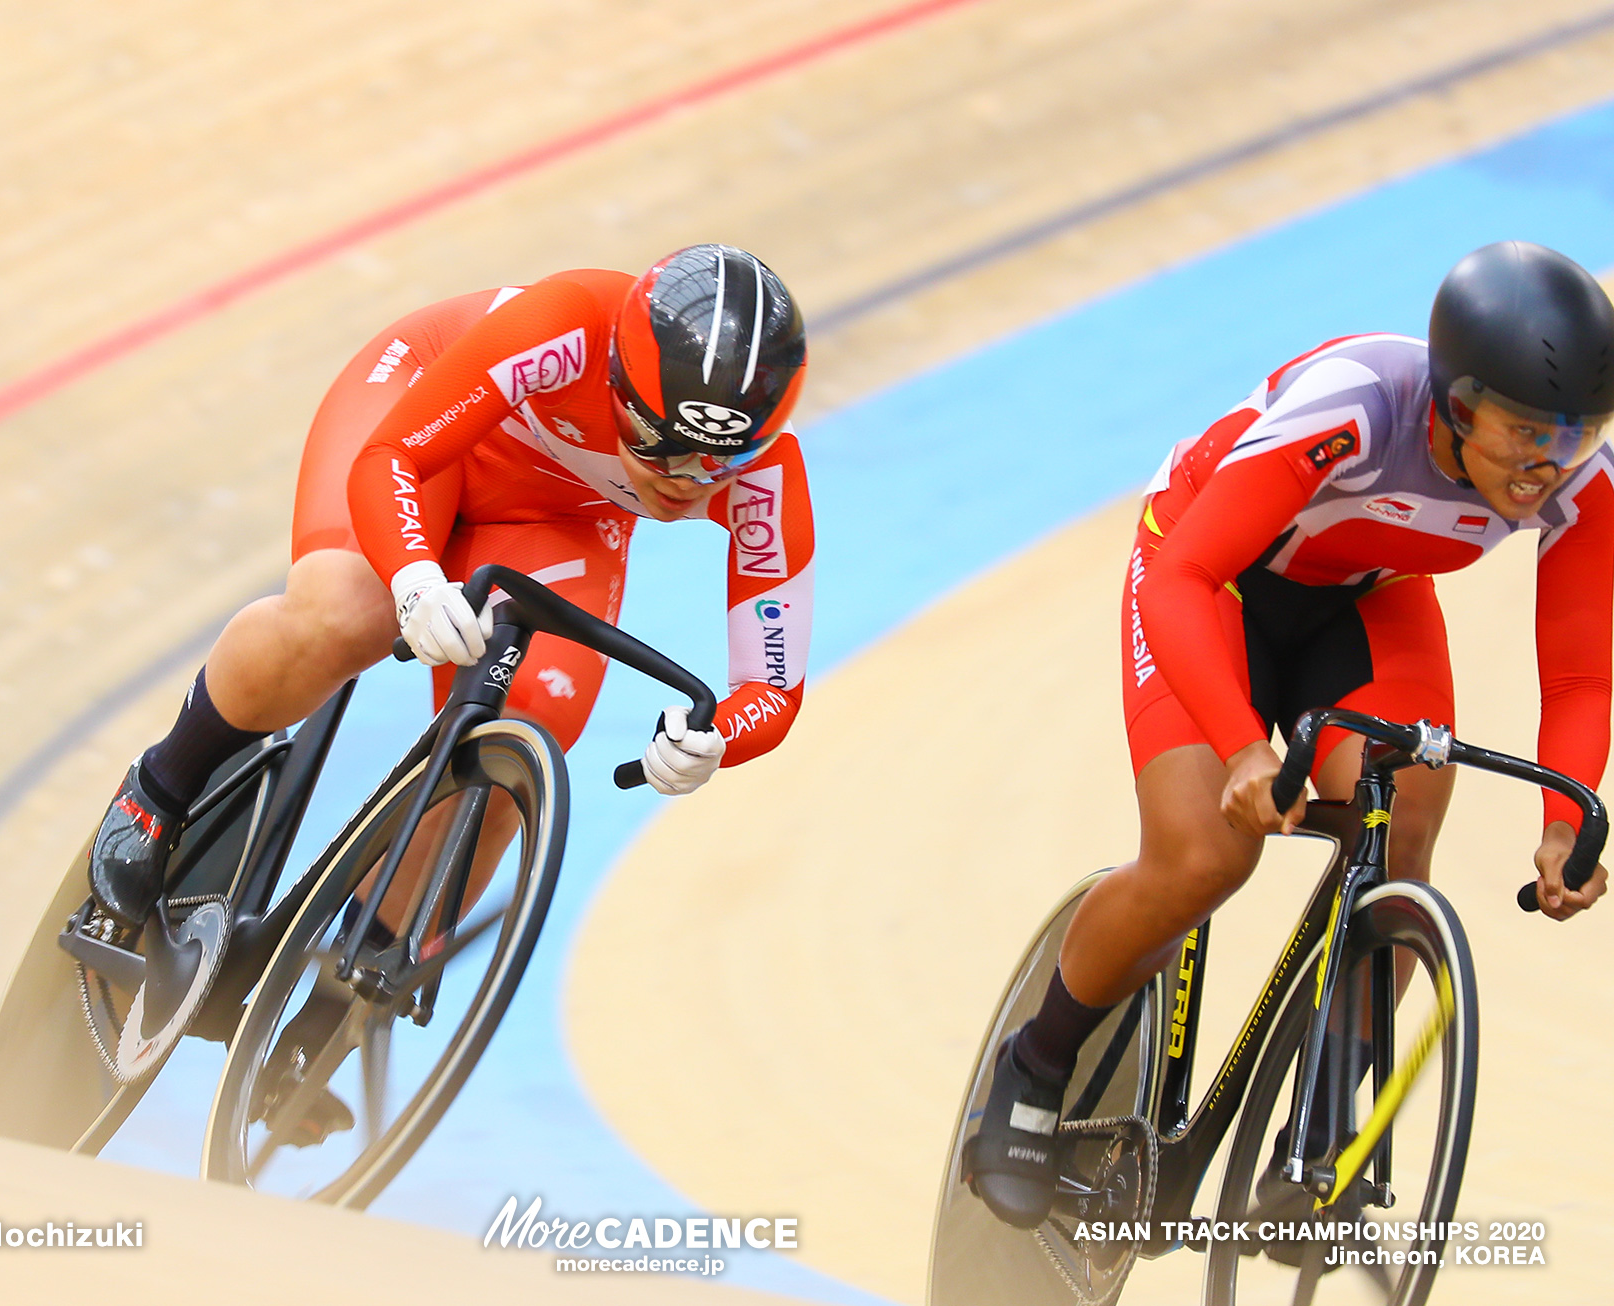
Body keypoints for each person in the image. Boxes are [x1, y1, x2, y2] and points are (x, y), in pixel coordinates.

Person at [966, 240, 1614, 1229]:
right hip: (1206, 576)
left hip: (1361, 593)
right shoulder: (1354, 404)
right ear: (1453, 402)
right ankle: (1034, 1066)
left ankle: (1313, 1137)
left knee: (1399, 836)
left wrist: (1564, 817)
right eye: (1525, 429)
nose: (1548, 461)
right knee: (1203, 854)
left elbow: (1579, 671)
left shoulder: (1578, 477)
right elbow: (1186, 578)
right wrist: (1241, 746)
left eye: (1575, 432)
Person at [83, 243, 815, 945]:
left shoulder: (765, 475)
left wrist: (719, 738)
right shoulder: (567, 326)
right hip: (424, 427)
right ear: (616, 381)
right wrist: (410, 580)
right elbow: (391, 457)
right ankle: (160, 788)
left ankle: (340, 999)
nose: (683, 478)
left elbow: (772, 687)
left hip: (559, 517)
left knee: (521, 743)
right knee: (348, 613)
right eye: (655, 440)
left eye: (722, 458)